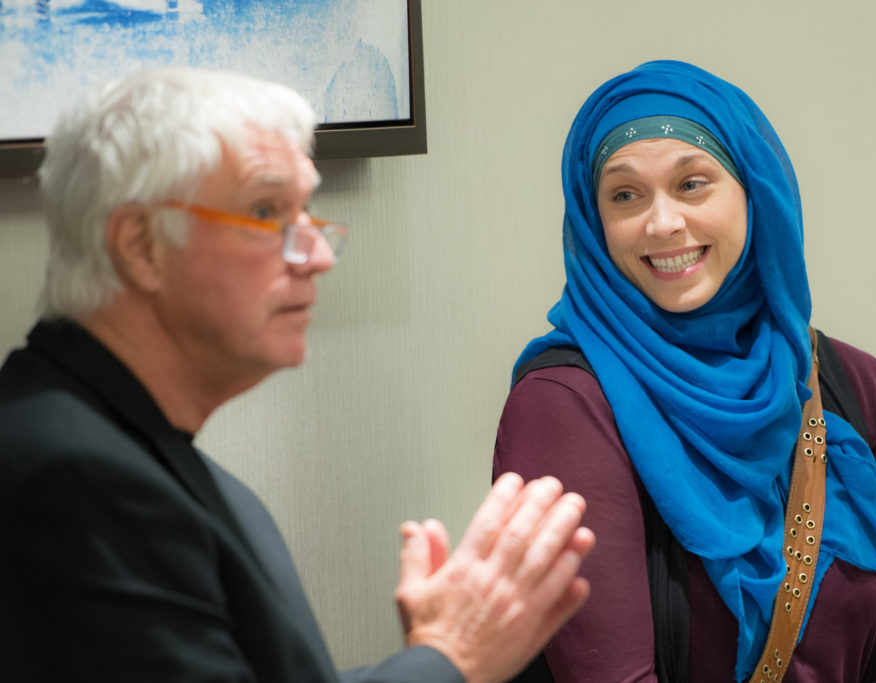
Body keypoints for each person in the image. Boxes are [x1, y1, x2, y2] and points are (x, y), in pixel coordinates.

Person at [0, 67, 595, 683]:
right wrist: (451, 660)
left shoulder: (127, 449)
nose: (314, 256)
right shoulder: (75, 481)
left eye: (307, 212)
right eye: (266, 211)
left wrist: (441, 653)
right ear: (141, 244)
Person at [493, 60, 876, 682]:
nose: (662, 223)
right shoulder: (565, 405)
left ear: (754, 193)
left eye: (692, 184)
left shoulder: (847, 382)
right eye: (625, 195)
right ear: (593, 219)